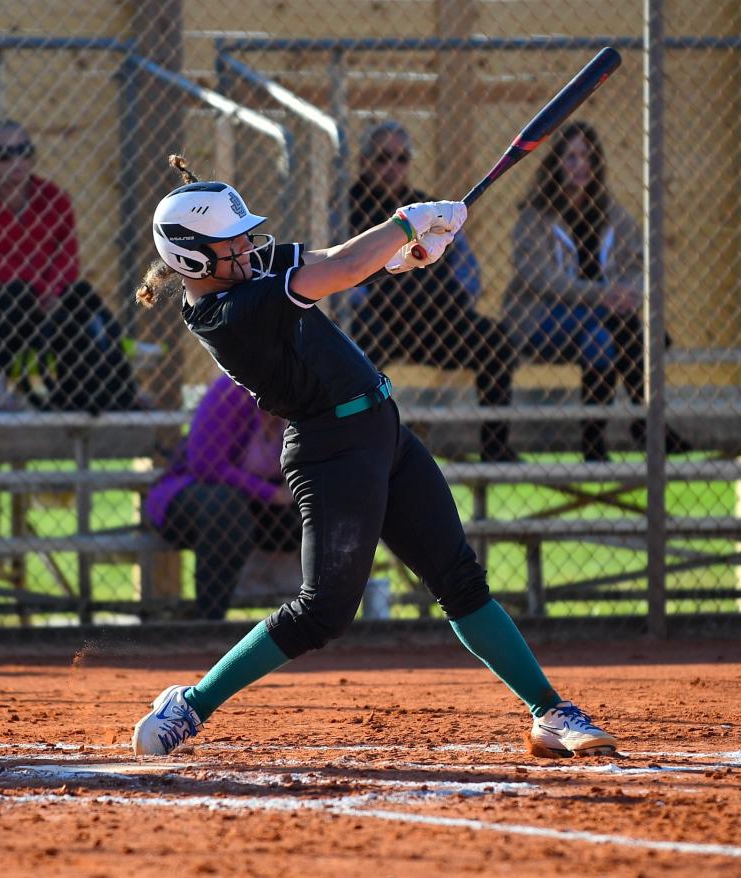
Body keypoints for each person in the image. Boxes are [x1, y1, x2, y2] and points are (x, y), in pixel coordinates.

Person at [128, 154, 617, 761]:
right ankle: (191, 706)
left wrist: (404, 253)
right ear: (192, 259)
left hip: (382, 431)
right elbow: (339, 268)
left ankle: (550, 711)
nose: (248, 248)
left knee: (460, 580)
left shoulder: (246, 272)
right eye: (230, 243)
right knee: (323, 612)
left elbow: (334, 260)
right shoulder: (231, 311)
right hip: (330, 451)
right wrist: (407, 221)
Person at [503, 121, 691, 461]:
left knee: (602, 340)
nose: (580, 166)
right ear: (556, 163)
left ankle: (594, 443)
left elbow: (639, 265)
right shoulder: (535, 216)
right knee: (625, 327)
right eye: (571, 157)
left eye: (587, 157)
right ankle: (646, 421)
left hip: (599, 324)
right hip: (541, 321)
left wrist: (628, 293)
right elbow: (540, 279)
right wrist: (602, 295)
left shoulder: (611, 214)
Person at [348, 121, 519, 462]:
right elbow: (340, 274)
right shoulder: (349, 208)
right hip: (380, 321)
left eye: (401, 159)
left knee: (497, 341)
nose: (393, 167)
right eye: (383, 158)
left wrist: (460, 301)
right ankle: (360, 449)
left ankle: (495, 448)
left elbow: (469, 271)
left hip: (438, 320)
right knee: (353, 356)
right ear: (365, 162)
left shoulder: (426, 208)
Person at [145, 372, 301, 620]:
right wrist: (271, 494)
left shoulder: (305, 397)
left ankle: (319, 619)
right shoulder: (232, 390)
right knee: (225, 506)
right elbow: (205, 465)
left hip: (260, 511)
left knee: (320, 506)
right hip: (195, 498)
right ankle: (209, 620)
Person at [0, 120, 80, 410]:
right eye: (4, 154)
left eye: (23, 151)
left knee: (84, 298)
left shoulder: (54, 198)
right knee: (18, 292)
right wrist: (39, 290)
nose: (16, 161)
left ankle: (118, 390)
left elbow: (68, 258)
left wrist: (51, 291)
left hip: (44, 310)